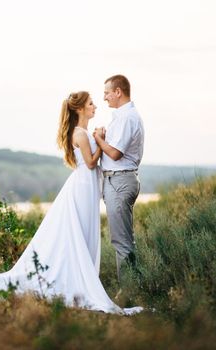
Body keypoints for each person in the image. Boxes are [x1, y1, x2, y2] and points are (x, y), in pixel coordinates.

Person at [0, 91, 142, 315]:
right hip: (83, 186)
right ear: (80, 109)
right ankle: (75, 280)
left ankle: (79, 275)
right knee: (79, 233)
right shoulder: (80, 134)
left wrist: (99, 138)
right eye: (91, 104)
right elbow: (92, 164)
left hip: (89, 186)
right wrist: (102, 141)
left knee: (84, 234)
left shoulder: (84, 132)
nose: (95, 106)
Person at [93, 75, 145, 284]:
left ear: (118, 92)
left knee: (121, 240)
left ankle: (129, 291)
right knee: (122, 238)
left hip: (120, 182)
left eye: (107, 92)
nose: (104, 97)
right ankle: (132, 286)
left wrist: (97, 139)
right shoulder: (122, 116)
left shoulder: (126, 118)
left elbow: (115, 154)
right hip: (117, 181)